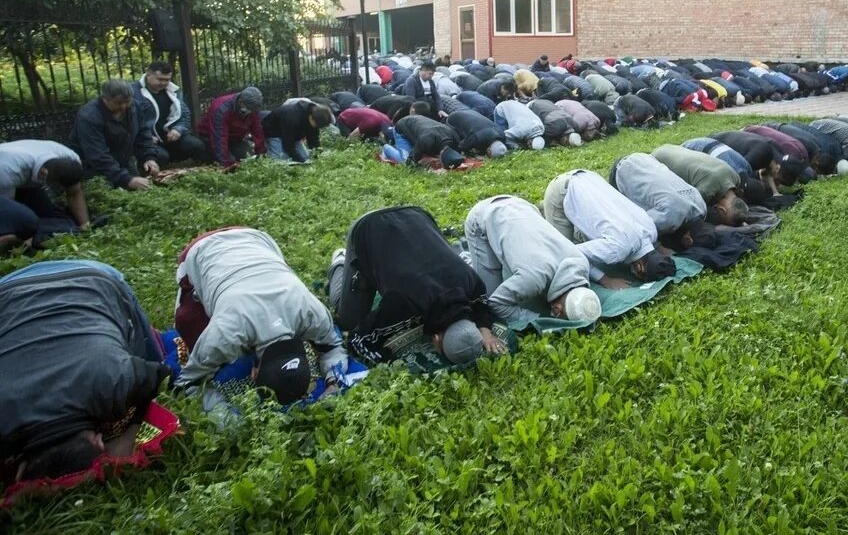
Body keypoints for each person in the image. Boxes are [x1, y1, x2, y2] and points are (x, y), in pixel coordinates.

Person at [0, 260, 169, 483]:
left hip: (95, 280)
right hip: (10, 292)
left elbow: (159, 375)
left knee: (150, 355)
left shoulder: (114, 380)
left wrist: (128, 438)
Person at [174, 228, 348, 403]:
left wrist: (333, 383)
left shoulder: (311, 312)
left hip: (258, 239)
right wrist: (223, 413)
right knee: (187, 326)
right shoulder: (223, 335)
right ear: (253, 374)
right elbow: (187, 383)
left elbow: (332, 346)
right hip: (201, 249)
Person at [328, 206, 506, 364]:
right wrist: (390, 363)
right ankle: (340, 262)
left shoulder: (469, 280)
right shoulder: (402, 303)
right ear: (436, 339)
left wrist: (485, 331)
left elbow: (481, 303)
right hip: (367, 229)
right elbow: (357, 339)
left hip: (417, 214)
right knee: (348, 321)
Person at [465, 196, 601, 325]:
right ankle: (465, 261)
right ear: (556, 309)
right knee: (487, 297)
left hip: (523, 206)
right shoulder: (533, 277)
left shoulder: (581, 262)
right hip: (484, 216)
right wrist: (537, 320)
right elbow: (496, 303)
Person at [541, 170, 676, 289]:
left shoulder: (651, 230)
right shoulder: (617, 250)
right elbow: (571, 253)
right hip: (561, 191)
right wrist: (606, 280)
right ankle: (542, 213)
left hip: (589, 178)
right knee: (559, 254)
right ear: (639, 267)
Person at [68, 79, 160, 191]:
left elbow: (143, 133)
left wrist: (149, 157)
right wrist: (126, 179)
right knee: (110, 195)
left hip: (123, 159)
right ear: (105, 99)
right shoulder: (89, 116)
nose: (124, 107)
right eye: (118, 103)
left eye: (127, 101)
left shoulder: (134, 106)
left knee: (141, 189)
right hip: (92, 166)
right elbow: (97, 155)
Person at [0, 140, 90, 252]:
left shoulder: (71, 159)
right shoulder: (7, 171)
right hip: (5, 177)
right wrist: (25, 240)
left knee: (49, 215)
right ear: (43, 174)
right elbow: (11, 216)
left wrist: (85, 226)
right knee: (26, 220)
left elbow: (74, 193)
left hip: (24, 176)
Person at [610, 153, 707, 248]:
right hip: (622, 172)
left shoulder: (702, 207)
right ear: (688, 240)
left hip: (644, 158)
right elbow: (638, 229)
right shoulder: (667, 218)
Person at [131, 61, 208, 165]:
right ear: (148, 74)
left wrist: (178, 129)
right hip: (147, 139)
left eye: (167, 80)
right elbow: (130, 120)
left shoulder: (174, 91)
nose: (163, 83)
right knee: (162, 156)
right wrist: (145, 136)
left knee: (197, 145)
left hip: (169, 137)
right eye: (160, 79)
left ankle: (174, 160)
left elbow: (185, 114)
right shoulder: (133, 92)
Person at [650, 144, 749, 225]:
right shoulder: (704, 193)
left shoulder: (735, 178)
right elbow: (686, 215)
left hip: (671, 147)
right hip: (657, 158)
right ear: (722, 210)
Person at [197, 86, 267, 167]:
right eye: (250, 109)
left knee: (247, 158)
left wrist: (261, 153)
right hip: (210, 138)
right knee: (230, 163)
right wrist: (225, 164)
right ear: (241, 102)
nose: (251, 112)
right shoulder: (221, 109)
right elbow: (219, 138)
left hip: (235, 140)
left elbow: (257, 130)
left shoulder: (252, 108)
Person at [262, 99, 334, 163]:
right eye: (317, 125)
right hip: (274, 133)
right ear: (311, 117)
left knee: (305, 157)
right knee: (282, 160)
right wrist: (301, 161)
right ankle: (269, 150)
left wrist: (318, 155)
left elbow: (313, 139)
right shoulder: (293, 118)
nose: (317, 127)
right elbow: (288, 144)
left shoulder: (316, 116)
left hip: (293, 135)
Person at [394, 110, 466, 167]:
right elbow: (411, 161)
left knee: (423, 152)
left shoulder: (454, 137)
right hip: (402, 127)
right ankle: (386, 149)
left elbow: (458, 152)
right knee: (404, 159)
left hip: (420, 124)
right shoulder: (426, 139)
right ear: (440, 157)